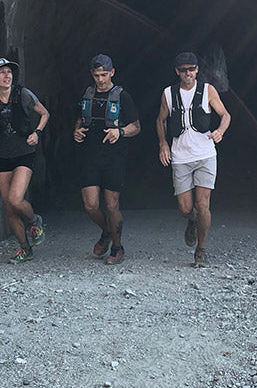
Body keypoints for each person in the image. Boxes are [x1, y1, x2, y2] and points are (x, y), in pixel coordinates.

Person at [156, 51, 230, 267]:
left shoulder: (208, 90)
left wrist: (220, 131)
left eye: (191, 69)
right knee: (186, 208)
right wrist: (163, 144)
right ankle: (192, 221)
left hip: (205, 154)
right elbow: (160, 120)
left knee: (203, 203)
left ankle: (201, 249)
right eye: (183, 70)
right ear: (177, 72)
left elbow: (225, 115)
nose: (188, 73)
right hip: (180, 156)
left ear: (197, 70)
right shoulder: (169, 94)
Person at [0, 57, 49, 263]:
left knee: (16, 199)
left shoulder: (23, 94)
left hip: (24, 152)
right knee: (8, 206)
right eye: (2, 72)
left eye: (9, 72)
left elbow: (44, 113)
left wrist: (37, 133)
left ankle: (34, 220)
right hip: (2, 155)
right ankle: (25, 248)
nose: (7, 76)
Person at [73, 54, 140, 265]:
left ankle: (117, 248)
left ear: (112, 72)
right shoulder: (87, 95)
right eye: (96, 75)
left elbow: (136, 127)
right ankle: (107, 231)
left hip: (114, 156)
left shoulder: (122, 96)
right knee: (91, 205)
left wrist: (119, 132)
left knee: (112, 206)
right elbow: (79, 119)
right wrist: (76, 131)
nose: (100, 79)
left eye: (104, 74)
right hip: (90, 155)